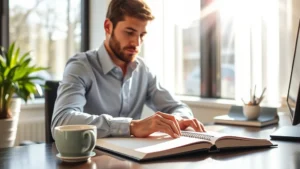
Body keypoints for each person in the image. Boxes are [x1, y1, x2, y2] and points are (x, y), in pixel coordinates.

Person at [51, 0, 205, 139]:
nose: (136, 43)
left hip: (133, 158)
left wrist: (177, 120)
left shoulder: (143, 70)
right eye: (129, 32)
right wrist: (131, 126)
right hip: (92, 158)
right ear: (108, 27)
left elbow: (178, 107)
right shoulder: (80, 66)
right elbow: (62, 120)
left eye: (142, 35)